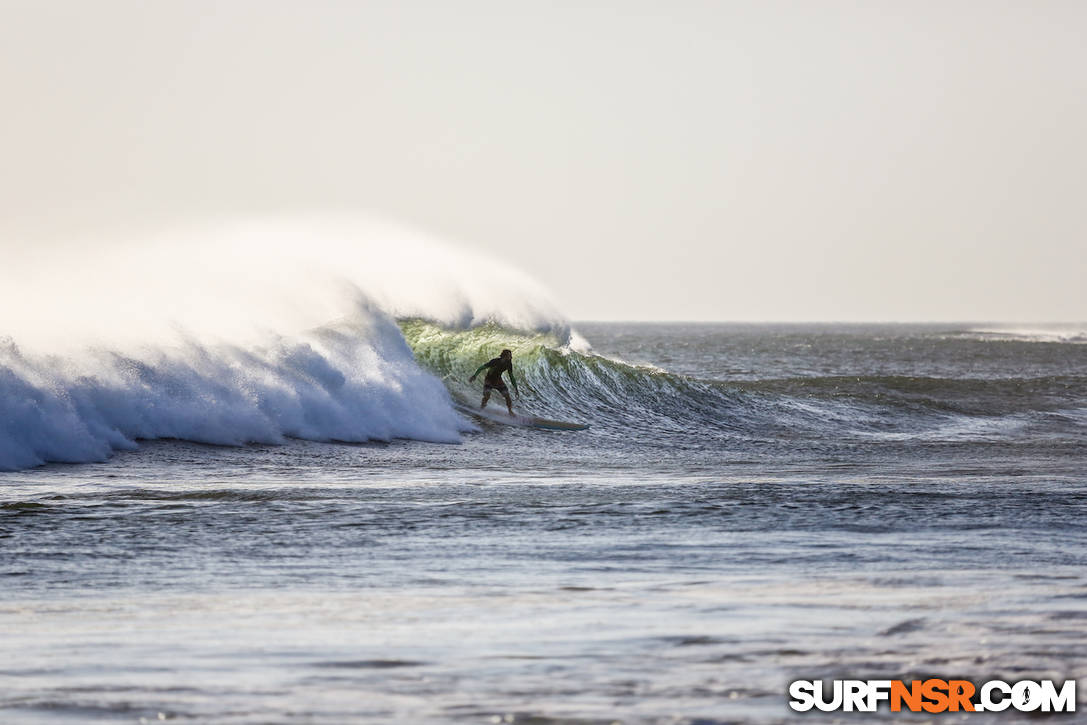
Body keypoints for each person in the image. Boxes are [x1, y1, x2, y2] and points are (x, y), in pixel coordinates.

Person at [468, 348, 519, 415]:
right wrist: (475, 376)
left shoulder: (509, 364)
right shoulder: (495, 361)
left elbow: (511, 376)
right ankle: (481, 409)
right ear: (504, 356)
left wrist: (515, 388)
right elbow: (482, 368)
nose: (511, 357)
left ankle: (510, 411)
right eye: (509, 356)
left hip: (498, 381)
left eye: (511, 355)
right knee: (487, 396)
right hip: (489, 380)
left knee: (507, 396)